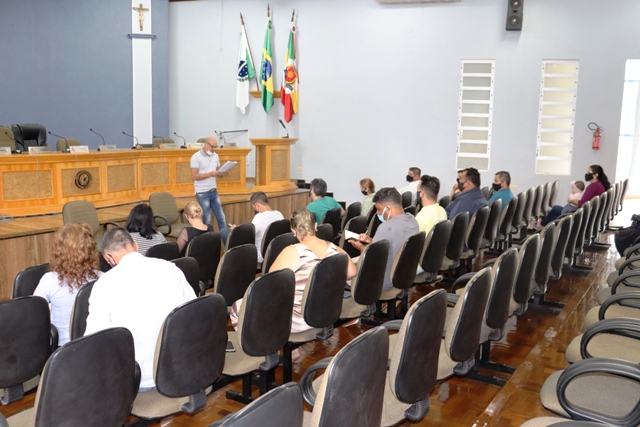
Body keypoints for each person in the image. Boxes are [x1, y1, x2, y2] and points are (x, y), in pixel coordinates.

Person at [84, 228, 195, 391]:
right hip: (178, 370)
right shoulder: (171, 268)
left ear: (108, 257)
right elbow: (193, 312)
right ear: (136, 245)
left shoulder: (104, 285)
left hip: (136, 380)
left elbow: (93, 341)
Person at [230, 208, 356, 334]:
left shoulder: (292, 252)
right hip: (328, 312)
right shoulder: (335, 249)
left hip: (300, 319)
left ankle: (259, 343)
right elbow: (352, 273)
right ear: (315, 226)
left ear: (294, 231)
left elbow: (269, 285)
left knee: (238, 306)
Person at [34, 223, 101, 346]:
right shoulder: (103, 278)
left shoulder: (49, 280)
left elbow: (34, 315)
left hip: (60, 348)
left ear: (58, 251)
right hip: (94, 344)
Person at [349, 187, 419, 291]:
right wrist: (372, 241)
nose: (377, 213)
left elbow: (372, 259)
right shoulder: (413, 221)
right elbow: (395, 244)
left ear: (388, 209)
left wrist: (360, 247)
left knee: (343, 269)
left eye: (378, 209)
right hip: (403, 276)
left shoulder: (386, 227)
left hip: (381, 281)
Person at [539, 165, 611, 226]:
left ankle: (542, 225)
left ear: (595, 175)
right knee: (556, 213)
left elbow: (582, 203)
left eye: (589, 172)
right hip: (590, 214)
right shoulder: (600, 184)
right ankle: (545, 224)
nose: (587, 174)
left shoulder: (593, 186)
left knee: (555, 209)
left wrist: (571, 201)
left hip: (583, 215)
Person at [223, 192, 284, 262]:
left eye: (254, 208)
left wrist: (237, 230)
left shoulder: (260, 217)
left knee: (224, 232)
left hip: (259, 257)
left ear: (257, 206)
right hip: (275, 255)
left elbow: (248, 236)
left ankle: (228, 261)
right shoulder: (279, 214)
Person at [190, 135, 228, 231]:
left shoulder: (216, 156)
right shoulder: (196, 157)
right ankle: (208, 239)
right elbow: (194, 176)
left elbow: (217, 173)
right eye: (212, 146)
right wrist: (210, 174)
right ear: (206, 144)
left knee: (222, 218)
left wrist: (222, 173)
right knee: (207, 220)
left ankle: (225, 239)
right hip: (202, 193)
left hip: (214, 191)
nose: (214, 149)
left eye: (215, 147)